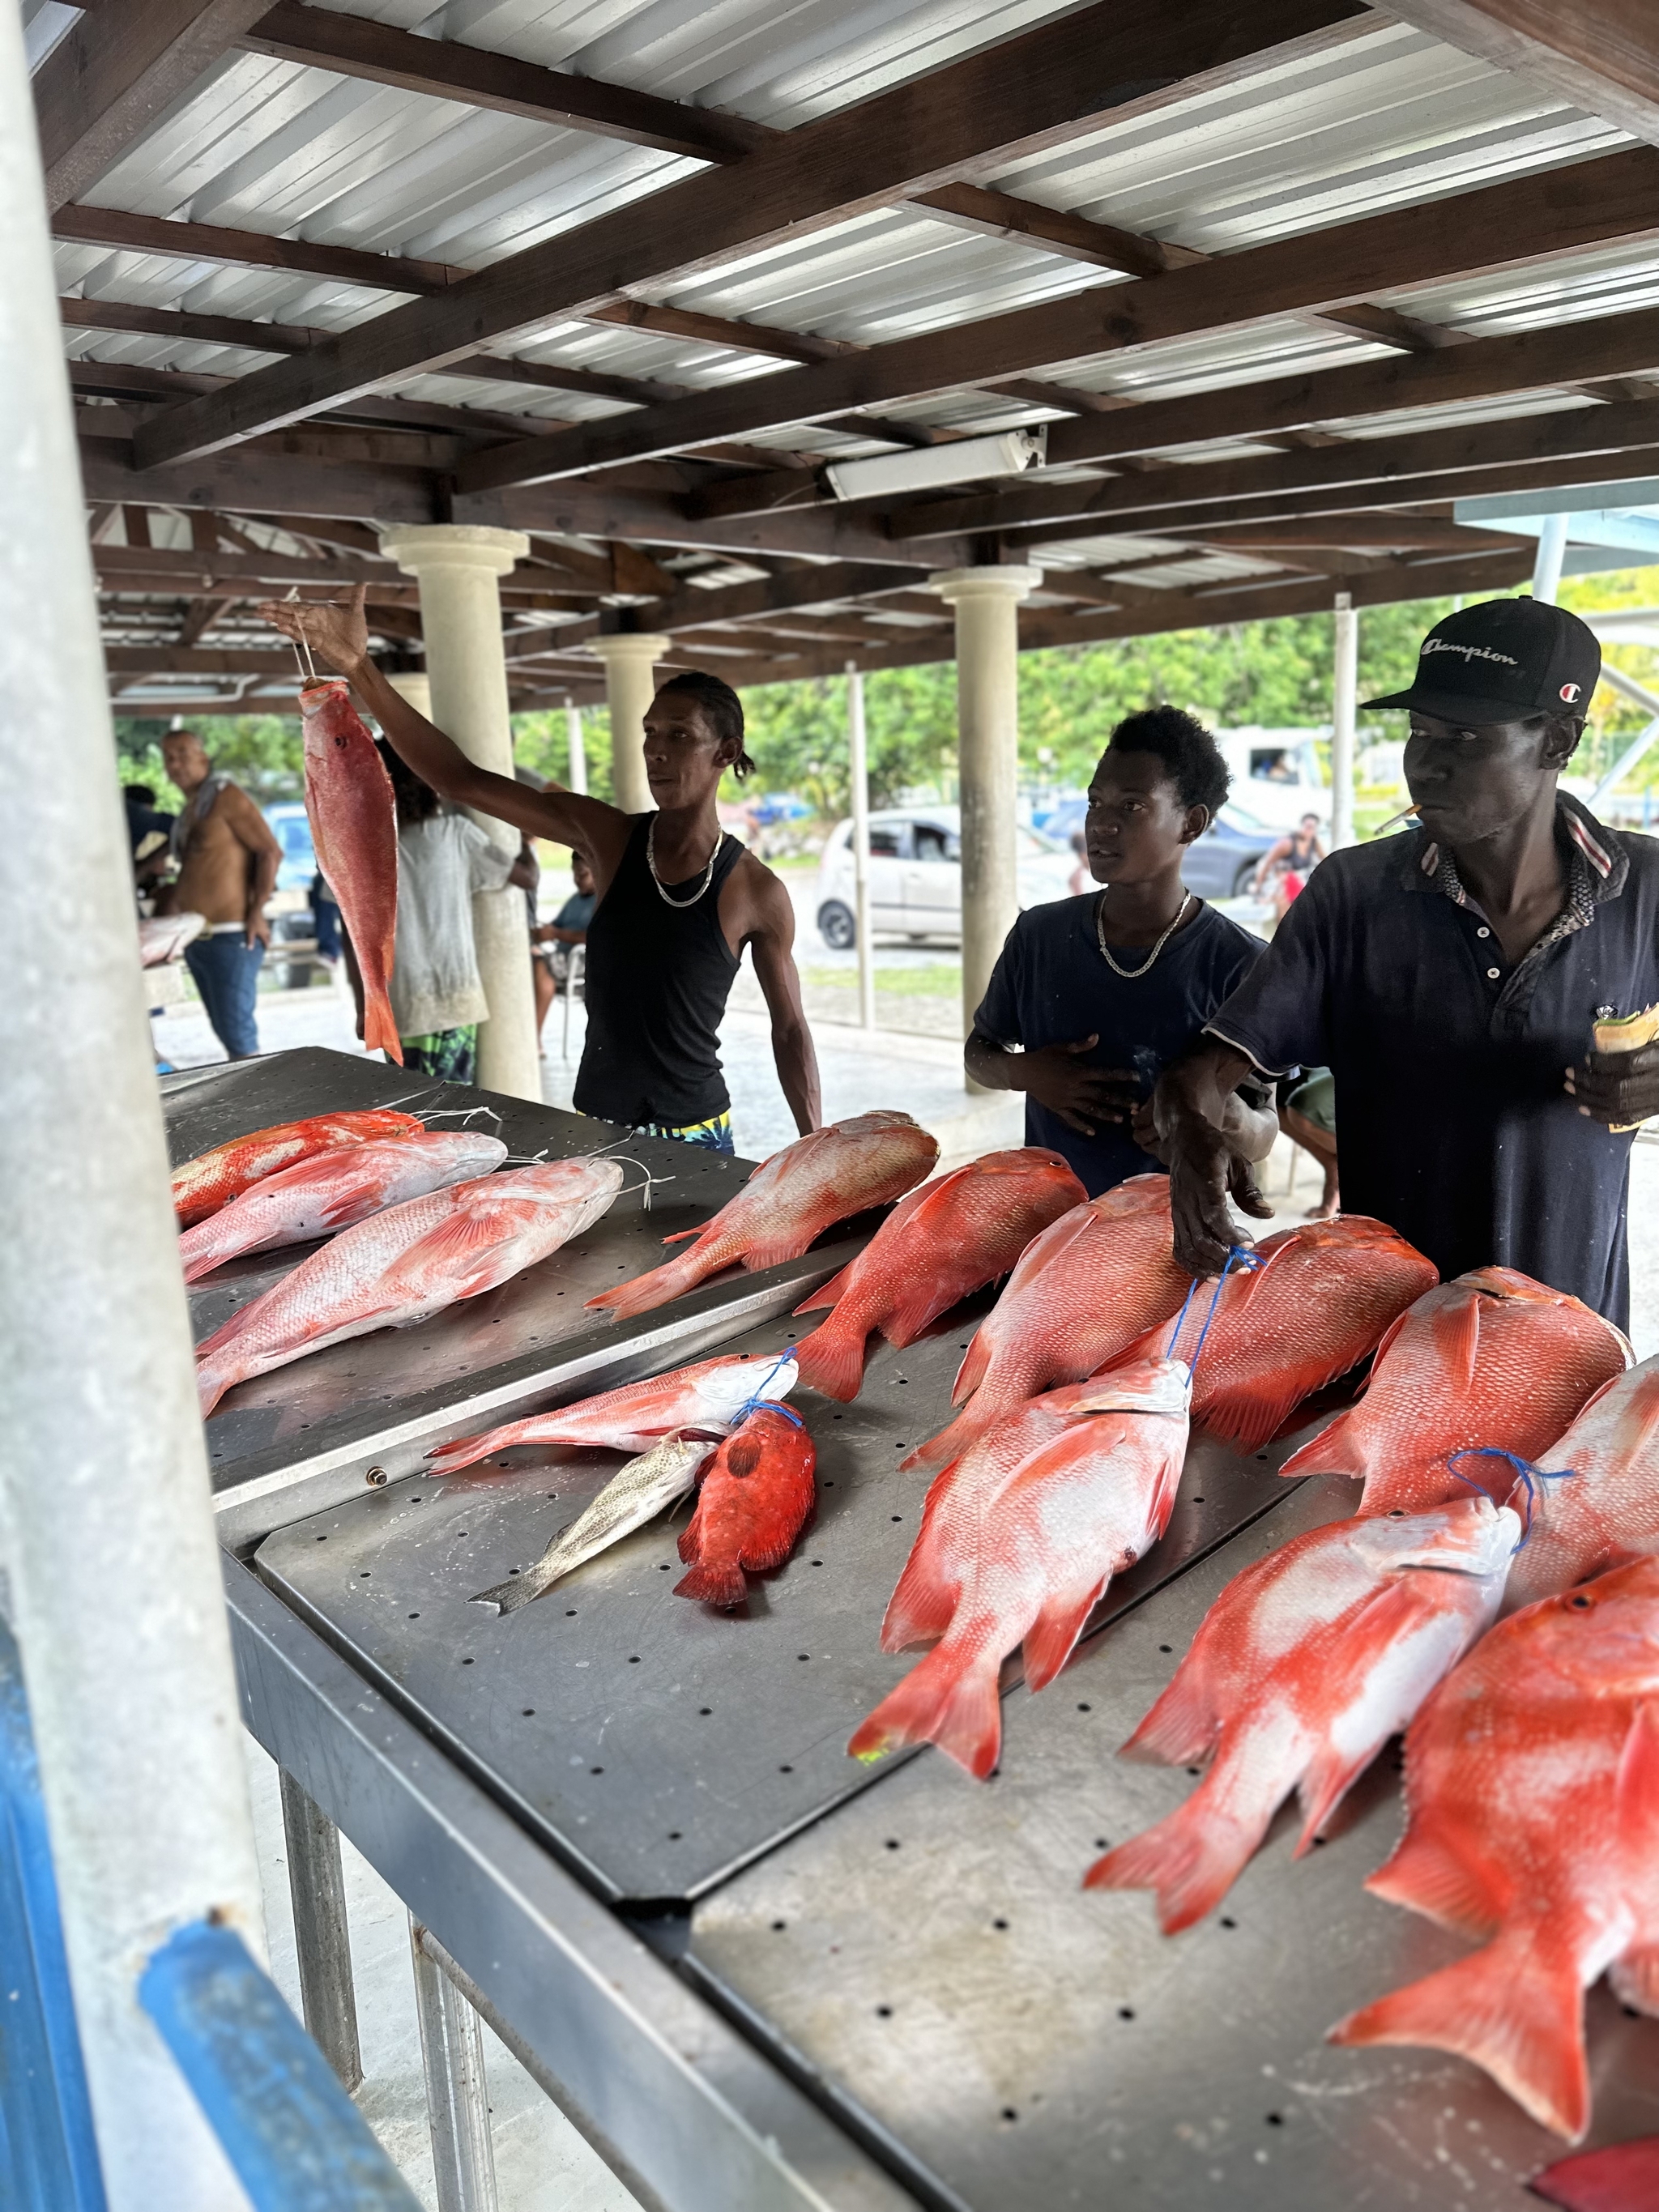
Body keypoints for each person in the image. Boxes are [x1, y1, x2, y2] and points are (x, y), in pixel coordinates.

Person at [1152, 595, 1659, 1326]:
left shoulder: (1642, 891)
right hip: (1386, 1339)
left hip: (1571, 1340)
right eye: (1420, 731)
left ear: (1558, 741)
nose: (1427, 762)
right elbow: (1200, 1074)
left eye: (1464, 736)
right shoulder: (1354, 894)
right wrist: (1196, 1142)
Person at [259, 586, 821, 1149]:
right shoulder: (610, 837)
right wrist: (361, 668)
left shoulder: (755, 891)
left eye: (680, 736)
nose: (656, 751)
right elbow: (461, 779)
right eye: (650, 732)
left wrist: (816, 1142)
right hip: (596, 1124)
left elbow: (791, 1028)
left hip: (698, 1133)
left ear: (725, 752)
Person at [965, 706, 1273, 1199]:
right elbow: (978, 1054)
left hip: (1170, 1238)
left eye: (1131, 806)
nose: (1102, 824)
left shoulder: (1240, 963)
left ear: (1190, 825)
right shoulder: (1039, 935)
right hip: (1050, 1226)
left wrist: (1209, 1108)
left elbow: (1264, 1132)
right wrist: (1030, 1073)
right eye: (1094, 803)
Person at [340, 743, 534, 1083]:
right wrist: (525, 841)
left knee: (415, 1110)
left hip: (398, 1006)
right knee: (453, 1111)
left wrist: (363, 1005)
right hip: (455, 999)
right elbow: (526, 878)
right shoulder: (456, 835)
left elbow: (351, 936)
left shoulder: (362, 851)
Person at [151, 729, 281, 1060]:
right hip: (198, 936)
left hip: (234, 933)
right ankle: (255, 1104)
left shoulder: (225, 795)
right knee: (226, 1031)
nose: (175, 763)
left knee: (238, 1034)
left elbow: (270, 852)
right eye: (168, 756)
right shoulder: (190, 810)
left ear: (203, 759)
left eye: (182, 753)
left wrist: (256, 911)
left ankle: (265, 1106)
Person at [531, 852, 597, 1049]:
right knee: (527, 962)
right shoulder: (575, 901)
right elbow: (555, 926)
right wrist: (542, 933)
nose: (577, 880)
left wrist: (556, 934)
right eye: (575, 874)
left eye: (583, 874)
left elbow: (593, 936)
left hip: (581, 963)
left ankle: (534, 1040)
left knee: (541, 966)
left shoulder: (601, 900)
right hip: (562, 959)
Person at [1252, 811, 1325, 919]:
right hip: (1276, 881)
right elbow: (1266, 864)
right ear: (1301, 826)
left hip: (1297, 883)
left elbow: (1326, 861)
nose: (1309, 830)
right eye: (1307, 826)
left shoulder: (1314, 842)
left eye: (1312, 828)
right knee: (1284, 897)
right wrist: (1258, 888)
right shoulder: (1287, 843)